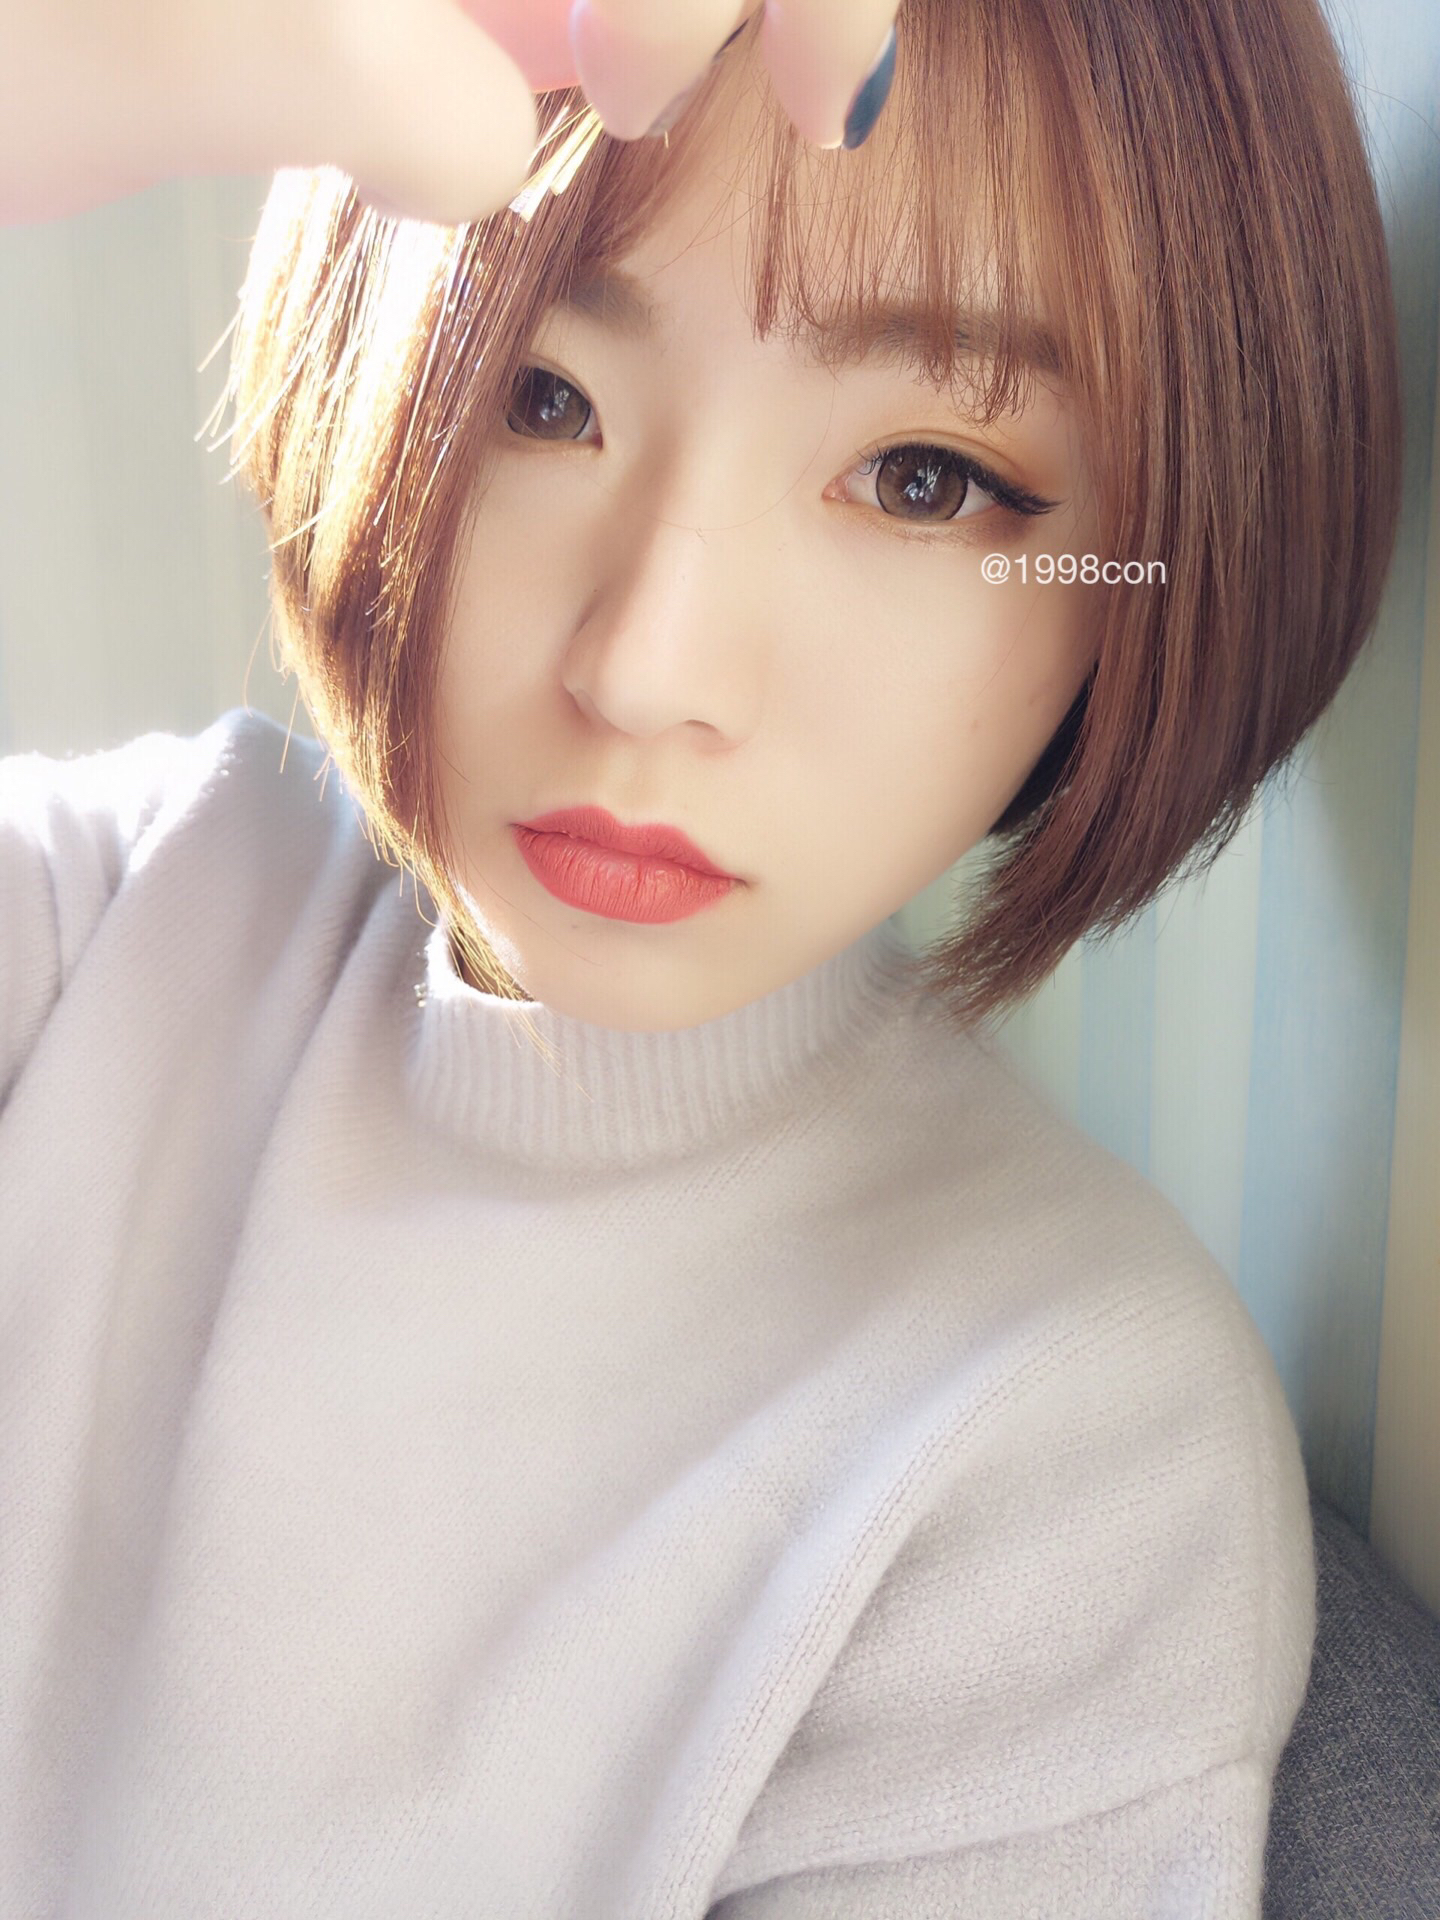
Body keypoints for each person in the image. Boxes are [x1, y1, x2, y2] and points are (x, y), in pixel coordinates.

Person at [0, 0, 1401, 1915]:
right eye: (543, 395)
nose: (647, 668)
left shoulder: (1057, 1456)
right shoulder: (109, 922)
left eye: (924, 477)